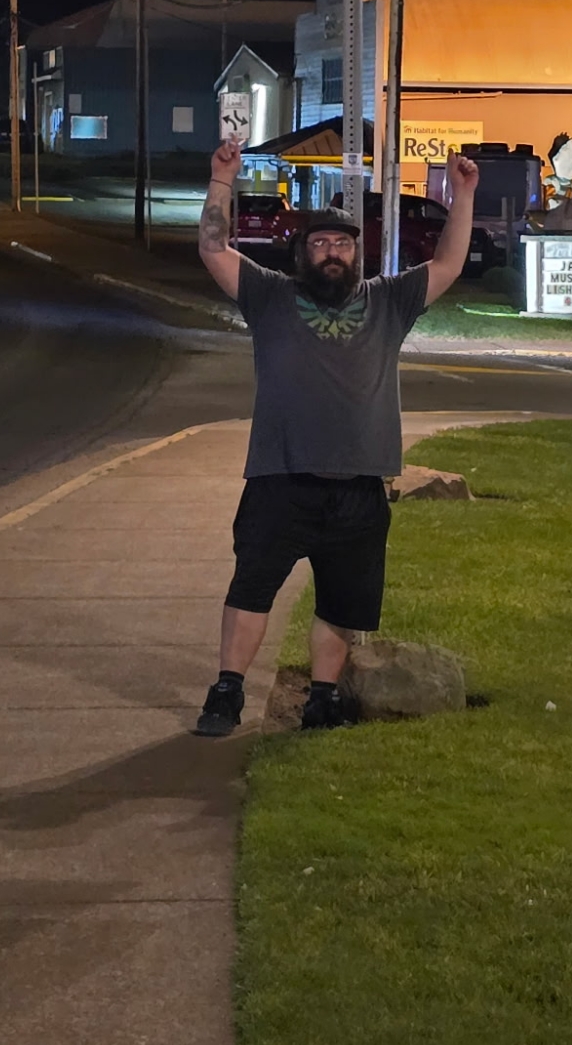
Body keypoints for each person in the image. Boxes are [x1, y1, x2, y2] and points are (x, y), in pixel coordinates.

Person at [193, 141, 480, 736]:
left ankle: (322, 699)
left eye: (342, 244)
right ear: (303, 252)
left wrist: (464, 194)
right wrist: (223, 178)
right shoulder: (270, 297)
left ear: (357, 252)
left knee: (342, 603)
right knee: (251, 590)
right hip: (280, 480)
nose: (332, 251)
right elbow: (214, 248)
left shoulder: (389, 302)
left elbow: (449, 264)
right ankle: (227, 692)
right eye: (320, 243)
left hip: (359, 488)